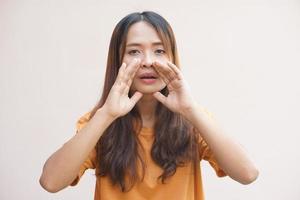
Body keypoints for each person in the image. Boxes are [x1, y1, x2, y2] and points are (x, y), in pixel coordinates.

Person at [39, 11, 259, 200]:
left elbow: (248, 174)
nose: (147, 61)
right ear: (118, 60)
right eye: (134, 51)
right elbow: (50, 182)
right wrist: (106, 115)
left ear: (172, 58)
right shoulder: (98, 121)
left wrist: (191, 110)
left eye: (159, 51)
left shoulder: (193, 121)